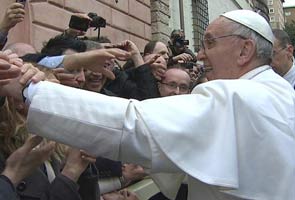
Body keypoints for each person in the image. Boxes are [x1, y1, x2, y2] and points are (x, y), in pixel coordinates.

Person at [26, 10, 295, 200]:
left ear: (245, 50)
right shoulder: (280, 92)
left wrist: (31, 90)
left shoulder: (236, 96)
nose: (200, 55)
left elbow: (133, 125)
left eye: (209, 43)